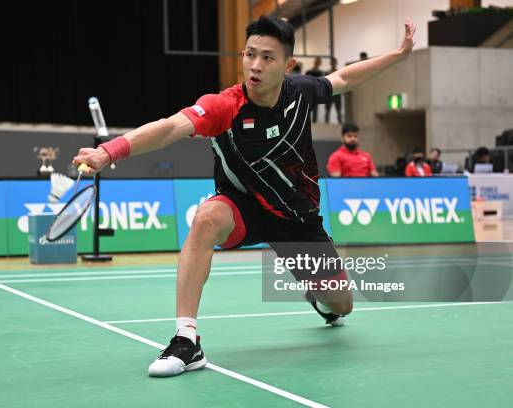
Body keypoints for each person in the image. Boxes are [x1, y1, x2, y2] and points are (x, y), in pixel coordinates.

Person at [73, 15, 416, 377]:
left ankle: (320, 300)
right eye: (249, 54)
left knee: (342, 305)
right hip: (244, 206)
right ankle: (186, 338)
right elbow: (171, 126)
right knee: (206, 219)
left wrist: (398, 55)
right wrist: (109, 152)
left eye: (268, 57)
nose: (255, 65)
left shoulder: (299, 92)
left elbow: (343, 78)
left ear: (288, 65)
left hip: (298, 220)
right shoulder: (224, 106)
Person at [305, 57, 323, 123]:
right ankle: (306, 121)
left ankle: (314, 121)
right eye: (316, 61)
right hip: (309, 91)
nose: (317, 63)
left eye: (318, 62)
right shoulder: (309, 72)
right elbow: (305, 81)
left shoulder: (320, 73)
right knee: (307, 107)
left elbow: (320, 82)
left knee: (315, 107)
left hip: (315, 92)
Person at [324, 58, 343, 124]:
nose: (333, 63)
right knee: (327, 109)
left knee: (338, 109)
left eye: (334, 62)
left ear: (336, 63)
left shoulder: (339, 72)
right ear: (330, 63)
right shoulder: (327, 72)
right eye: (332, 62)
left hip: (337, 92)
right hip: (329, 92)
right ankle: (326, 123)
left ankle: (340, 123)